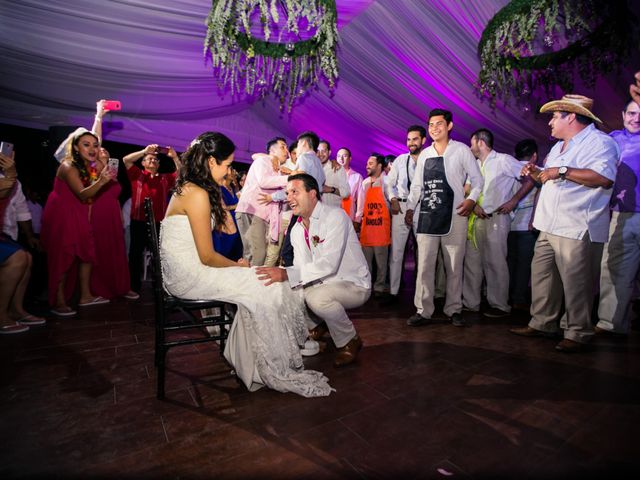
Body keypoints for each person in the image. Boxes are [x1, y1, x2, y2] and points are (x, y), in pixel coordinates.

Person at [160, 132, 332, 397]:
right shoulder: (196, 194)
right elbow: (206, 257)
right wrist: (237, 267)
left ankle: (264, 353)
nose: (230, 170)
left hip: (184, 272)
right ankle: (268, 359)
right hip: (189, 277)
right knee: (264, 281)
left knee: (263, 276)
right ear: (210, 161)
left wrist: (236, 265)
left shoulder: (192, 188)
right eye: (227, 164)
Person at [511, 94, 618, 353]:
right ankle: (543, 322)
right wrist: (536, 173)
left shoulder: (600, 142)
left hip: (577, 224)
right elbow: (550, 180)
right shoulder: (558, 147)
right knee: (543, 277)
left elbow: (604, 178)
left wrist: (561, 171)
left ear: (570, 116)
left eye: (554, 116)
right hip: (548, 224)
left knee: (576, 282)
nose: (549, 122)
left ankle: (578, 331)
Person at [256, 173, 371, 367]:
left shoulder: (335, 216)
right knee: (290, 290)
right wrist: (281, 276)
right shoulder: (297, 229)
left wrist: (285, 273)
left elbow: (329, 264)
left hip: (353, 284)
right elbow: (302, 268)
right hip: (323, 283)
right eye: (287, 193)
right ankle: (317, 325)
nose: (289, 197)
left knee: (317, 298)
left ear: (312, 194)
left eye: (295, 192)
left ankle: (350, 339)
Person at [405, 109, 483, 327]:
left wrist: (472, 200)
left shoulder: (462, 151)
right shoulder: (425, 155)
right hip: (428, 217)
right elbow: (418, 186)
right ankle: (423, 310)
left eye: (439, 124)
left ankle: (454, 309)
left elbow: (477, 180)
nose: (434, 128)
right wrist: (411, 208)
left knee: (454, 266)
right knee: (424, 266)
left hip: (456, 214)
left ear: (449, 126)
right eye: (430, 125)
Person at [41, 129, 116, 315]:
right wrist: (101, 182)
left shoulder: (88, 166)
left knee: (86, 252)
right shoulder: (68, 166)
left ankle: (85, 296)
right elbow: (83, 194)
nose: (92, 148)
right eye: (86, 144)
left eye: (95, 145)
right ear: (75, 147)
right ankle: (58, 302)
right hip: (63, 213)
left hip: (80, 212)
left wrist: (103, 165)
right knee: (63, 255)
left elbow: (91, 192)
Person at [462, 128, 532, 318]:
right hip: (476, 218)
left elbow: (531, 178)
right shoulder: (475, 164)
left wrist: (514, 201)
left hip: (497, 218)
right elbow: (467, 188)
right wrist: (473, 203)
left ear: (481, 143)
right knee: (472, 262)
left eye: (472, 143)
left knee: (495, 263)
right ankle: (471, 303)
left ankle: (499, 305)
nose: (470, 147)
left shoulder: (504, 160)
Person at [596, 96, 640, 334]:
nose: (637, 118)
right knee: (615, 269)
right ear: (623, 116)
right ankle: (610, 323)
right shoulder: (612, 140)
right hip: (621, 216)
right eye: (632, 113)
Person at [123, 143, 181, 294]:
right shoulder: (137, 175)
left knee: (159, 256)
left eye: (155, 160)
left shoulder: (165, 179)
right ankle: (133, 288)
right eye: (149, 159)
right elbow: (126, 160)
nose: (152, 161)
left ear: (159, 164)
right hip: (139, 222)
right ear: (142, 163)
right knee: (135, 255)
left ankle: (160, 288)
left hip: (159, 223)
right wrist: (144, 151)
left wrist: (175, 157)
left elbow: (182, 174)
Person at [1, 151, 45, 333]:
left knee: (27, 258)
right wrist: (10, 174)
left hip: (7, 234)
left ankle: (16, 309)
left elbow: (22, 212)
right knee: (18, 258)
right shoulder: (10, 180)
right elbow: (2, 193)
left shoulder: (15, 183)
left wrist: (30, 237)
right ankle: (1, 313)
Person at [90, 147, 139, 300]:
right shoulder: (92, 167)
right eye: (100, 149)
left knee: (117, 250)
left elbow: (115, 195)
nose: (103, 150)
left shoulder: (112, 168)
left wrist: (120, 215)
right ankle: (99, 288)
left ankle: (122, 287)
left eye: (105, 149)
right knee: (101, 249)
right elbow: (90, 190)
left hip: (113, 213)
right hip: (98, 211)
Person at [385, 125, 426, 303]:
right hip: (401, 208)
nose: (411, 143)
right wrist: (393, 199)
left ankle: (422, 294)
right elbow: (388, 183)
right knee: (397, 252)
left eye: (415, 139)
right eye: (409, 139)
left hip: (421, 208)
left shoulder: (430, 159)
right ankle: (394, 292)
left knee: (424, 252)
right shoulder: (401, 160)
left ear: (423, 140)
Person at [235, 137, 289, 266]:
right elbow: (263, 181)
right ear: (272, 150)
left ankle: (251, 283)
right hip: (252, 210)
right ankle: (247, 284)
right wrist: (290, 178)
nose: (286, 150)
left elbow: (286, 193)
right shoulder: (263, 160)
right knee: (256, 254)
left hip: (262, 214)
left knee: (259, 255)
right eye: (283, 146)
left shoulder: (279, 169)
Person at [277, 131, 326, 267]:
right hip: (316, 206)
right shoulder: (318, 162)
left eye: (298, 144)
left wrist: (273, 196)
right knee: (309, 245)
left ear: (303, 143)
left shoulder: (304, 158)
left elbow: (298, 184)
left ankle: (291, 279)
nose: (296, 148)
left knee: (289, 248)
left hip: (303, 207)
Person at [507, 139, 540, 310]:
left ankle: (507, 295)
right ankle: (518, 298)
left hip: (508, 224)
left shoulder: (509, 167)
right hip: (527, 224)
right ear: (534, 155)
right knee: (524, 264)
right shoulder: (537, 171)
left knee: (509, 263)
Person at [360, 153, 391, 297]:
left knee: (381, 262)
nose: (367, 166)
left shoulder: (387, 181)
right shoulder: (365, 182)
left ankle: (379, 287)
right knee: (366, 262)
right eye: (367, 163)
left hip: (381, 229)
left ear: (379, 166)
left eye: (371, 163)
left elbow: (391, 205)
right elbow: (361, 206)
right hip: (367, 228)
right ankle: (367, 286)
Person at [336, 147, 364, 232]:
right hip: (333, 214)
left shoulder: (357, 177)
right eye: (338, 156)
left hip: (349, 216)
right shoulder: (331, 174)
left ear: (350, 158)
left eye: (344, 156)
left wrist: (357, 219)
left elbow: (361, 200)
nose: (341, 159)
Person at [317, 140, 350, 208]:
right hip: (315, 213)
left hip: (333, 213)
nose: (320, 154)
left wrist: (331, 189)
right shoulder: (312, 168)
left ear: (329, 152)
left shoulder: (338, 169)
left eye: (324, 151)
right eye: (318, 151)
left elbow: (346, 192)